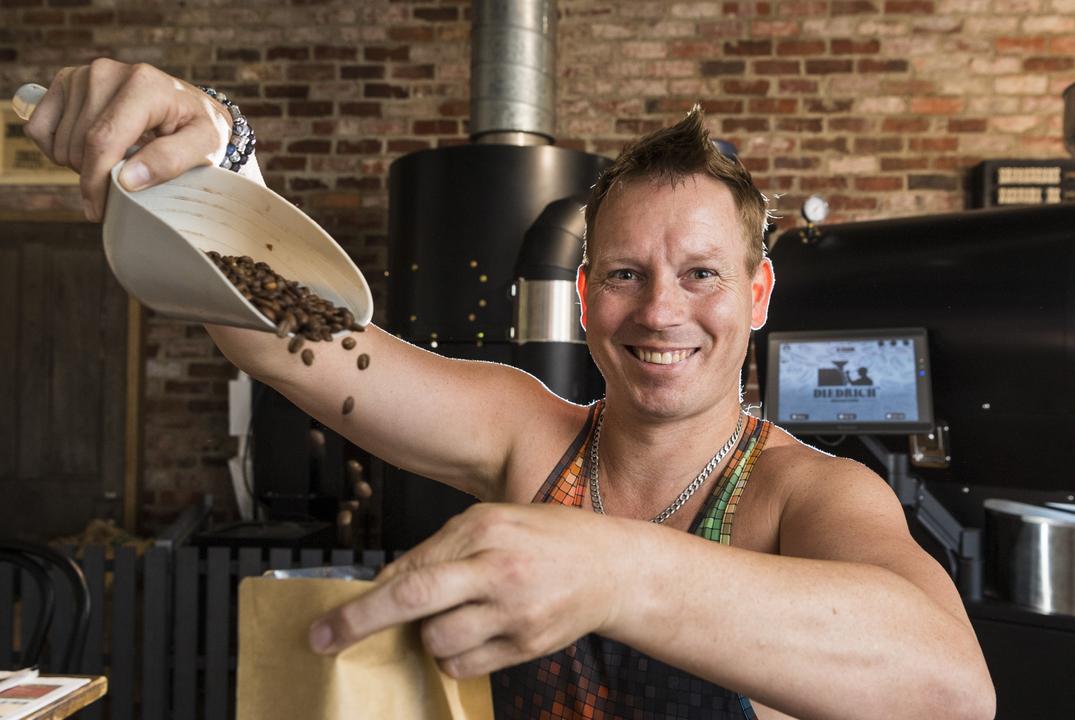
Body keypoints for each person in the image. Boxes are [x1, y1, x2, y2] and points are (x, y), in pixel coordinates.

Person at [24, 58, 996, 720]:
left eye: (698, 275)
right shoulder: (526, 434)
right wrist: (217, 167)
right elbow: (300, 345)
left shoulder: (806, 493)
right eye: (623, 274)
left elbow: (950, 687)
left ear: (755, 295)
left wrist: (614, 570)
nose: (659, 313)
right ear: (583, 296)